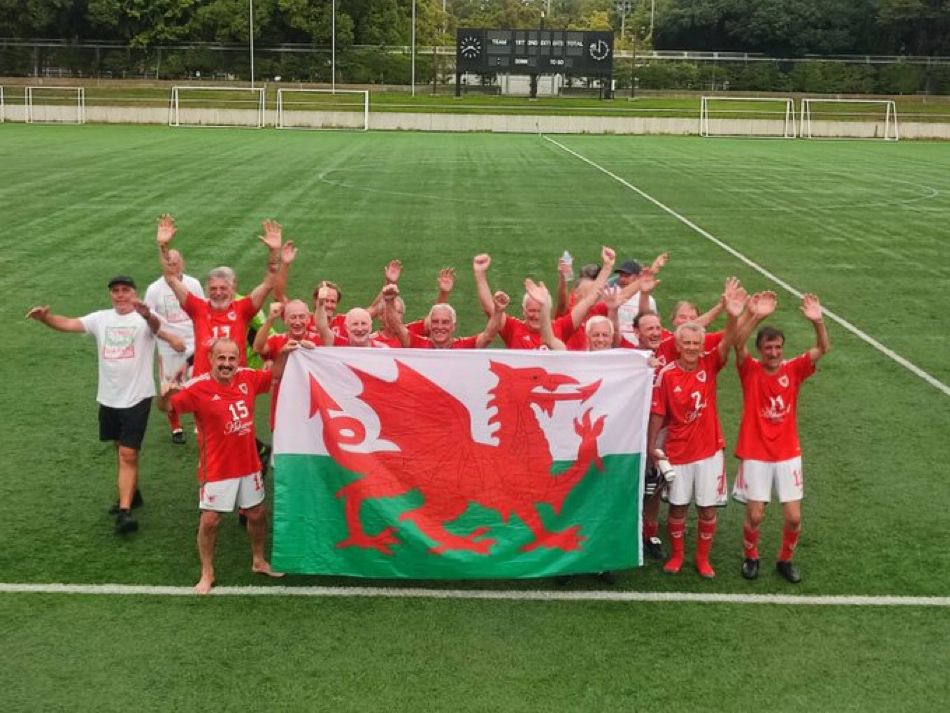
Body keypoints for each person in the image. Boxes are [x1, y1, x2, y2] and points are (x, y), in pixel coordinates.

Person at [27, 276, 184, 534]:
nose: (120, 295)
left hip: (137, 397)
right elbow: (69, 324)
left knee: (128, 453)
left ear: (134, 293)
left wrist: (147, 316)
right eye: (116, 291)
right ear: (111, 294)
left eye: (125, 290)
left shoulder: (145, 317)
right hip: (109, 397)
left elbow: (156, 327)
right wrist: (45, 318)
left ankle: (124, 512)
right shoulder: (101, 318)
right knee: (119, 447)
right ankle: (132, 493)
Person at [158, 337, 287, 594]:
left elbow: (275, 374)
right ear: (211, 359)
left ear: (238, 360)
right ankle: (207, 572)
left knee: (257, 514)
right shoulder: (198, 387)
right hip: (217, 468)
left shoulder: (247, 377)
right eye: (221, 358)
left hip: (248, 464)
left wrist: (284, 352)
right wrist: (164, 393)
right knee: (210, 520)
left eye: (231, 358)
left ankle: (258, 560)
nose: (227, 364)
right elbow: (168, 407)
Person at [647, 279, 747, 578]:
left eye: (696, 344)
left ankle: (703, 559)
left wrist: (733, 315)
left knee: (707, 508)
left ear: (702, 346)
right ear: (677, 346)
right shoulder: (666, 374)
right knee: (677, 507)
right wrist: (652, 447)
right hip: (677, 450)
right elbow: (658, 413)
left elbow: (728, 340)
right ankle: (677, 556)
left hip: (708, 451)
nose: (691, 348)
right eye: (686, 344)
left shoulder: (710, 364)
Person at [732, 292, 830, 583]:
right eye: (768, 348)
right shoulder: (750, 370)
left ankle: (785, 560)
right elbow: (737, 343)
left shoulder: (794, 368)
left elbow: (822, 348)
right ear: (760, 350)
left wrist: (818, 322)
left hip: (788, 453)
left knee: (794, 517)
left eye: (777, 347)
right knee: (756, 515)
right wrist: (756, 316)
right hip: (755, 453)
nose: (773, 353)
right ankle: (751, 556)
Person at [155, 213, 292, 376]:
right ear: (207, 290)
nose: (218, 293)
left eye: (223, 288)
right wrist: (163, 246)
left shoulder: (243, 309)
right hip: (204, 383)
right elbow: (171, 278)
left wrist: (274, 252)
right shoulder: (197, 308)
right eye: (213, 289)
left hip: (235, 382)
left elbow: (269, 283)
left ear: (231, 289)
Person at [473, 248, 616, 350]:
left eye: (539, 310)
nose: (535, 315)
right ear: (523, 311)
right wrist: (480, 274)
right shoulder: (513, 328)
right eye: (531, 310)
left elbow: (589, 301)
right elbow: (490, 309)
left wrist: (607, 267)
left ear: (548, 309)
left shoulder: (560, 327)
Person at [144, 248, 205, 444]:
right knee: (170, 387)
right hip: (168, 347)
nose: (172, 266)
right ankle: (176, 426)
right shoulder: (154, 289)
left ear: (182, 263)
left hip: (194, 343)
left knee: (199, 384)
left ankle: (200, 423)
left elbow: (203, 312)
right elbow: (147, 320)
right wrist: (169, 338)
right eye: (168, 263)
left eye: (175, 263)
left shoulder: (193, 284)